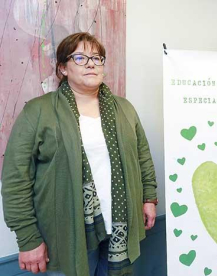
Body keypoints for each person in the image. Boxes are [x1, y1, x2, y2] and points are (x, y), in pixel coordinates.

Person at [1, 32, 158, 276]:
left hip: (121, 225)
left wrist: (148, 198)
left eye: (97, 57)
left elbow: (142, 157)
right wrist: (28, 238)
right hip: (66, 234)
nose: (91, 63)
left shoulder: (124, 108)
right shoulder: (38, 112)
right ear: (63, 68)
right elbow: (16, 180)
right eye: (81, 57)